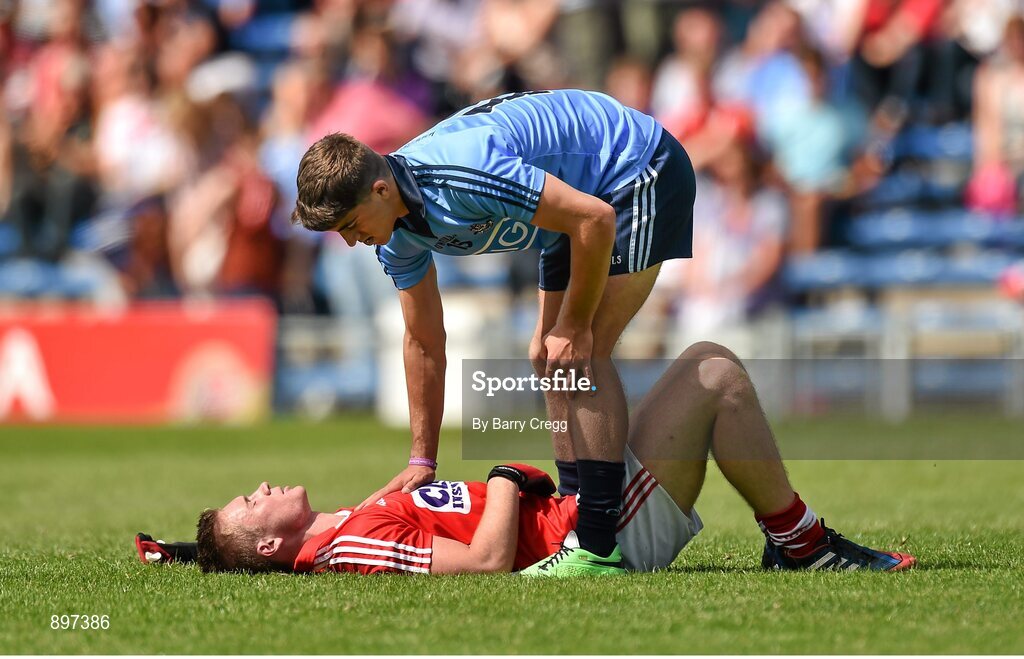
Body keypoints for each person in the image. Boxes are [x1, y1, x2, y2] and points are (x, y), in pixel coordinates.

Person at [291, 89, 697, 576]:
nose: (351, 241)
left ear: (380, 190)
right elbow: (423, 340)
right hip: (573, 214)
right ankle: (571, 522)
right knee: (548, 358)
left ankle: (597, 546)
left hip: (635, 169)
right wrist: (423, 460)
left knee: (580, 355)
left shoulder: (463, 172)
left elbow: (594, 217)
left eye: (351, 225)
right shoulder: (394, 233)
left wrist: (573, 325)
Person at [174, 342, 916, 575]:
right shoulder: (347, 547)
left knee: (569, 361)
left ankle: (797, 540)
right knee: (713, 373)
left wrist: (189, 549)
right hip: (587, 539)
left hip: (573, 509)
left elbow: (425, 523)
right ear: (271, 542)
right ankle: (803, 543)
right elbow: (490, 562)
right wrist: (503, 475)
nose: (261, 484)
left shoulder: (341, 527)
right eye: (250, 498)